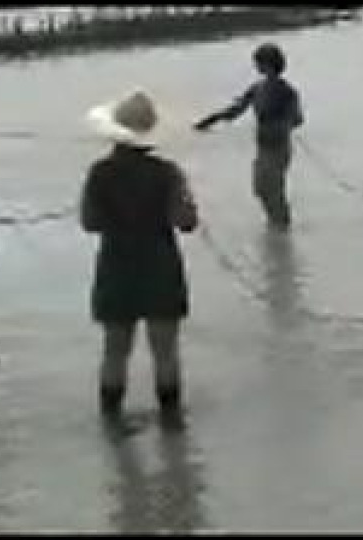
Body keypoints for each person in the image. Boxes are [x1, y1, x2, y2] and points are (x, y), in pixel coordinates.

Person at [81, 89, 198, 426]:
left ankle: (111, 428)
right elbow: (185, 223)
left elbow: (90, 223)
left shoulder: (99, 173)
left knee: (115, 352)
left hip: (116, 267)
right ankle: (173, 428)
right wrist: (186, 204)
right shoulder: (167, 172)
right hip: (161, 266)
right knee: (166, 353)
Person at [194, 43, 305, 229]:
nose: (256, 66)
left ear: (269, 64)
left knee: (273, 190)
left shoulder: (287, 91)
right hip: (263, 147)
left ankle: (281, 226)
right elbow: (236, 110)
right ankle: (276, 224)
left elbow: (298, 118)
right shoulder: (257, 88)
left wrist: (284, 124)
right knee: (260, 189)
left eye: (259, 63)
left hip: (279, 147)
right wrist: (209, 121)